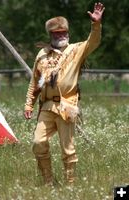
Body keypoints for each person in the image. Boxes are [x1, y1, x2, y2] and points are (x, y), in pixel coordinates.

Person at [24, 2, 105, 185]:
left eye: (63, 32)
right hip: (46, 105)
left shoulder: (76, 50)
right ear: (50, 35)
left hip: (67, 105)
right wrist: (29, 103)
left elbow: (94, 41)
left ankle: (70, 185)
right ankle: (48, 182)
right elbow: (35, 82)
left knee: (68, 149)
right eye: (56, 33)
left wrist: (96, 24)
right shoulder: (42, 54)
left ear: (67, 33)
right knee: (38, 143)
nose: (60, 35)